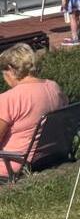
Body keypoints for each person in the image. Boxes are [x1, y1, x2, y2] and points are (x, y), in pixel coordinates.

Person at [0, 44, 66, 178]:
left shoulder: (9, 99)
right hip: (47, 156)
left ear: (11, 70)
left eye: (3, 72)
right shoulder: (54, 87)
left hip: (13, 164)